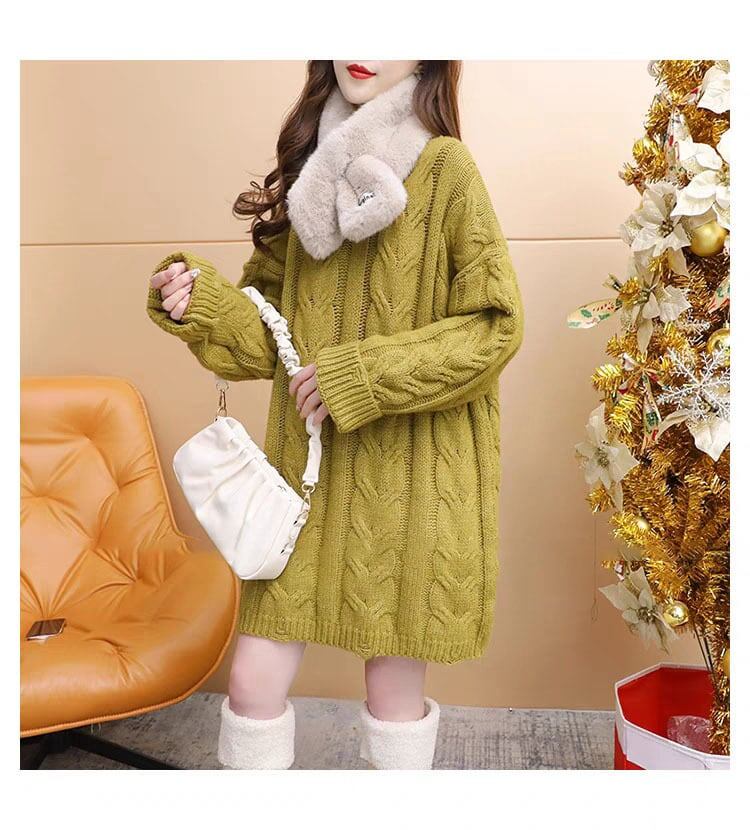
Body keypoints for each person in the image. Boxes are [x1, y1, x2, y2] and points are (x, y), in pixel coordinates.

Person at [146, 59, 524, 770]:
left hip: (409, 485)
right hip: (304, 488)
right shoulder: (310, 173)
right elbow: (270, 339)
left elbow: (494, 327)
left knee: (392, 691)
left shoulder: (447, 170)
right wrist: (205, 304)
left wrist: (362, 374)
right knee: (252, 682)